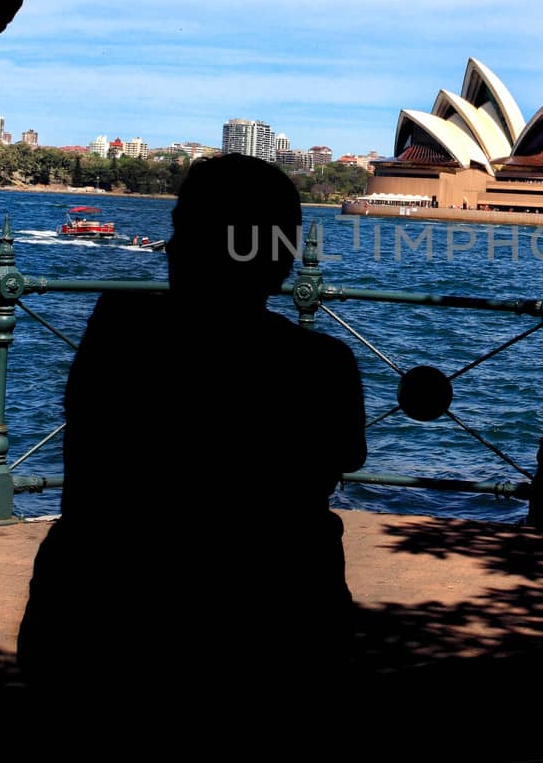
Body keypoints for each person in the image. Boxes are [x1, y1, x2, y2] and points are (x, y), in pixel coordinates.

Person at [19, 155, 366, 696]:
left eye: (183, 228)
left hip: (100, 620)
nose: (172, 246)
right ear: (285, 254)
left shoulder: (119, 330)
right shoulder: (325, 363)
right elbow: (345, 455)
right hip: (281, 626)